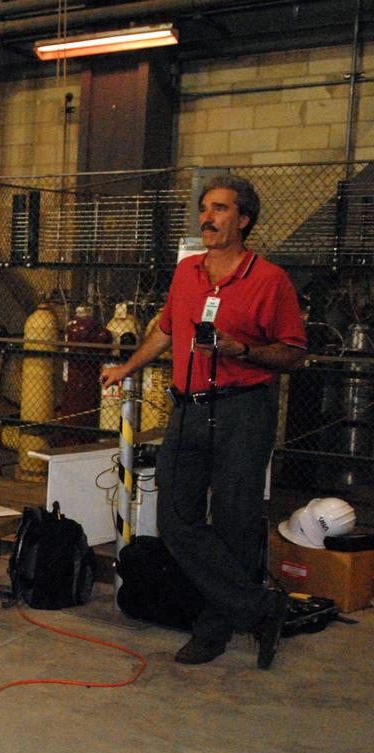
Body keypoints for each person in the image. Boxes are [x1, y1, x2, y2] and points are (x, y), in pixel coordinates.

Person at [100, 173, 306, 669]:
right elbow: (166, 332)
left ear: (244, 219)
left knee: (234, 522)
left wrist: (244, 351)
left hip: (243, 408)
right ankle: (259, 607)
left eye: (219, 209)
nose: (207, 218)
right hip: (189, 408)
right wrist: (127, 367)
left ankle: (215, 628)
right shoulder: (188, 272)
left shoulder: (269, 279)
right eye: (204, 209)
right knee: (177, 519)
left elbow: (294, 353)